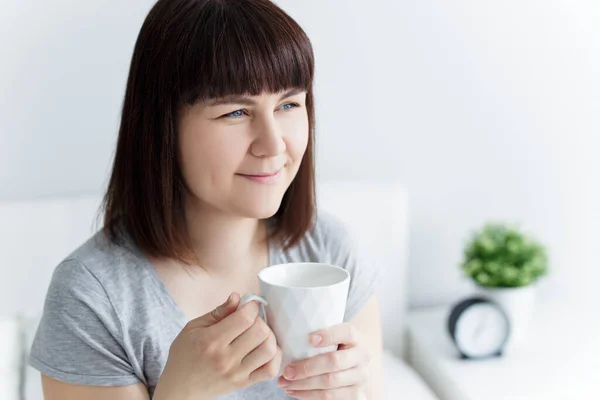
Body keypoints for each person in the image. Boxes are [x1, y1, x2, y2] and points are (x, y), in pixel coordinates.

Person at [28, 0, 384, 399]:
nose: (272, 144)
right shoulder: (92, 298)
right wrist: (180, 391)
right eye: (235, 112)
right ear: (163, 127)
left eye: (288, 104)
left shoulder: (333, 252)